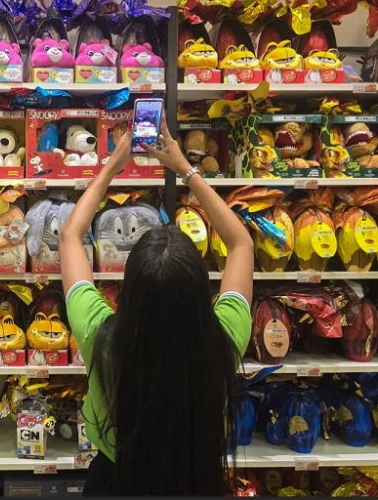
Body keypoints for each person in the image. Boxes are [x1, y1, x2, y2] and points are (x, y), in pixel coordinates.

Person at [58, 114, 253, 496]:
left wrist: (113, 165)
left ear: (129, 290)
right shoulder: (223, 339)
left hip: (115, 480)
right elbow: (241, 244)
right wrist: (185, 169)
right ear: (200, 289)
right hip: (196, 477)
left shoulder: (101, 334)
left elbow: (70, 235)